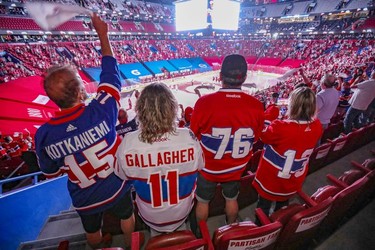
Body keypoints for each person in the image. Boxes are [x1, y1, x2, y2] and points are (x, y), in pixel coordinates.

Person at [35, 14, 134, 249]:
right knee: (127, 217)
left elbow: (50, 170)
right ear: (81, 92)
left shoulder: (44, 135)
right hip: (117, 185)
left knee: (92, 231)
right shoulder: (102, 109)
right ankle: (131, 246)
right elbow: (111, 75)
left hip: (85, 197)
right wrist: (102, 34)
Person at [115, 82, 204, 236]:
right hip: (182, 212)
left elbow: (122, 176)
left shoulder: (128, 142)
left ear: (140, 110)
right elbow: (201, 166)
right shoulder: (188, 137)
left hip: (149, 216)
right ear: (171, 108)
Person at [190, 54, 264, 229]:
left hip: (208, 167)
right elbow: (257, 136)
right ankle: (231, 227)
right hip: (236, 167)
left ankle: (202, 236)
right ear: (245, 78)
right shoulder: (256, 105)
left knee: (202, 202)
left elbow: (192, 135)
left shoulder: (204, 103)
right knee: (232, 199)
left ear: (220, 76)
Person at [252, 87, 323, 218]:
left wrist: (272, 112)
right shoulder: (317, 125)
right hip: (294, 178)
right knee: (282, 207)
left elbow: (263, 136)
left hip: (272, 178)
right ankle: (279, 223)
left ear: (292, 104)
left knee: (263, 208)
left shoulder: (280, 127)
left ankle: (261, 228)